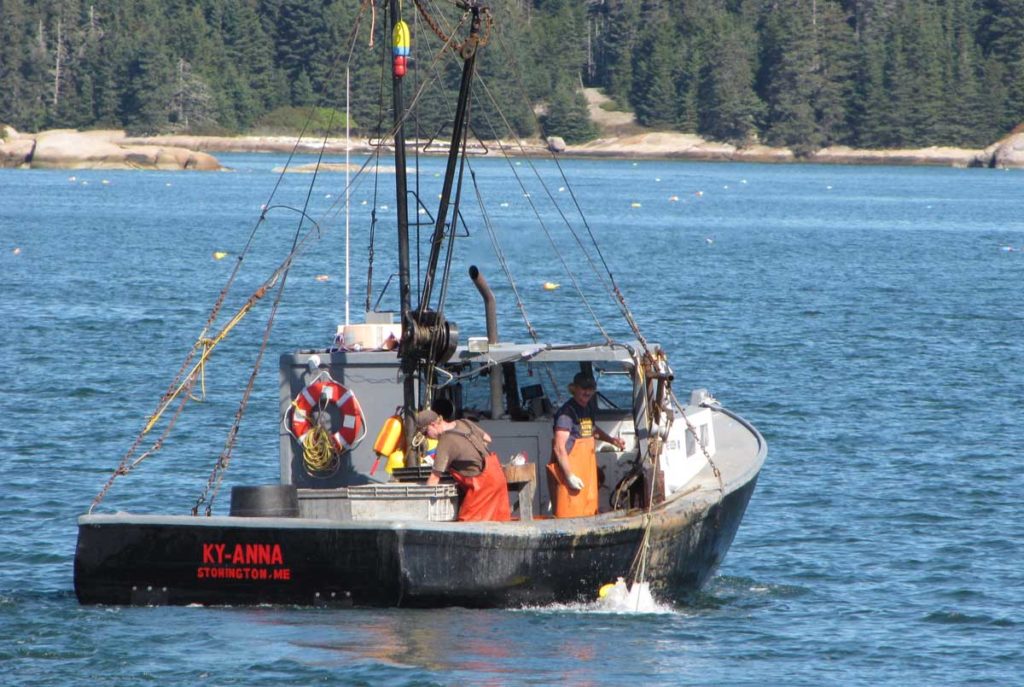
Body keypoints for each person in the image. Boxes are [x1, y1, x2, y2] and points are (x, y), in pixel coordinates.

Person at [547, 372, 626, 517]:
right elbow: (559, 448)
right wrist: (569, 476)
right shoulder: (566, 414)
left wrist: (612, 440)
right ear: (574, 389)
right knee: (569, 512)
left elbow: (592, 430)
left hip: (585, 471)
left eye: (591, 388)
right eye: (583, 388)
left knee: (589, 511)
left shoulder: (587, 407)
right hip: (568, 471)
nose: (587, 392)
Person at [416, 410, 511, 522]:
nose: (427, 437)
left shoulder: (445, 442)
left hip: (482, 488)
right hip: (497, 477)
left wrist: (421, 505)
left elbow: (434, 479)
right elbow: (487, 439)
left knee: (467, 527)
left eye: (426, 433)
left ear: (433, 425)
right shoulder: (464, 422)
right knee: (499, 528)